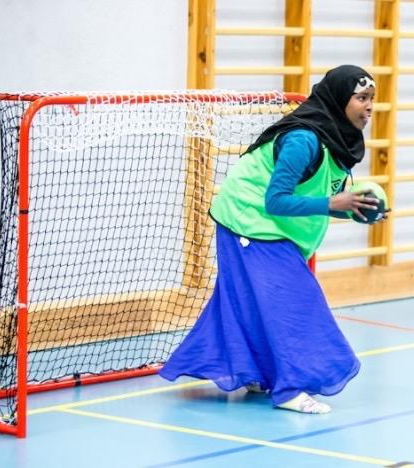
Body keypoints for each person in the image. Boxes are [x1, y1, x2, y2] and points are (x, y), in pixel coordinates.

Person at [159, 64, 383, 414]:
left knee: (247, 304)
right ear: (340, 100)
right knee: (295, 302)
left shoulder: (341, 142)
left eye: (372, 99)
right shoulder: (303, 140)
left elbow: (321, 198)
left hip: (271, 226)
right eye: (361, 98)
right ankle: (289, 389)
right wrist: (332, 204)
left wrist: (350, 210)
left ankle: (251, 372)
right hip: (249, 220)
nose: (369, 106)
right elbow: (276, 200)